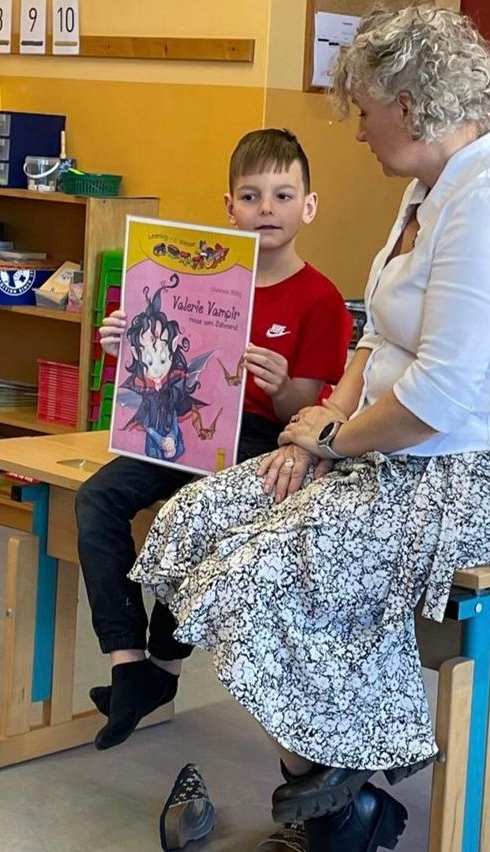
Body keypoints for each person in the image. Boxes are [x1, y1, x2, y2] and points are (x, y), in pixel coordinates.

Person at [130, 6, 490, 851]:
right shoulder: (428, 188)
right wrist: (329, 412)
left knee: (256, 573)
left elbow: (436, 399)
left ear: (408, 103)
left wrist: (326, 443)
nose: (359, 130)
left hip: (476, 475)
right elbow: (378, 339)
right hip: (385, 451)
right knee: (189, 524)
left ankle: (339, 799)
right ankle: (344, 806)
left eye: (364, 110)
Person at [75, 128, 352, 759]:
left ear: (309, 206)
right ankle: (129, 665)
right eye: (250, 197)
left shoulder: (321, 299)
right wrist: (124, 344)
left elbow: (307, 415)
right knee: (97, 499)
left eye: (283, 195)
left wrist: (283, 385)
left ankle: (163, 666)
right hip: (180, 424)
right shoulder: (197, 281)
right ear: (229, 207)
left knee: (195, 517)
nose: (266, 209)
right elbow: (158, 371)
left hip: (263, 440)